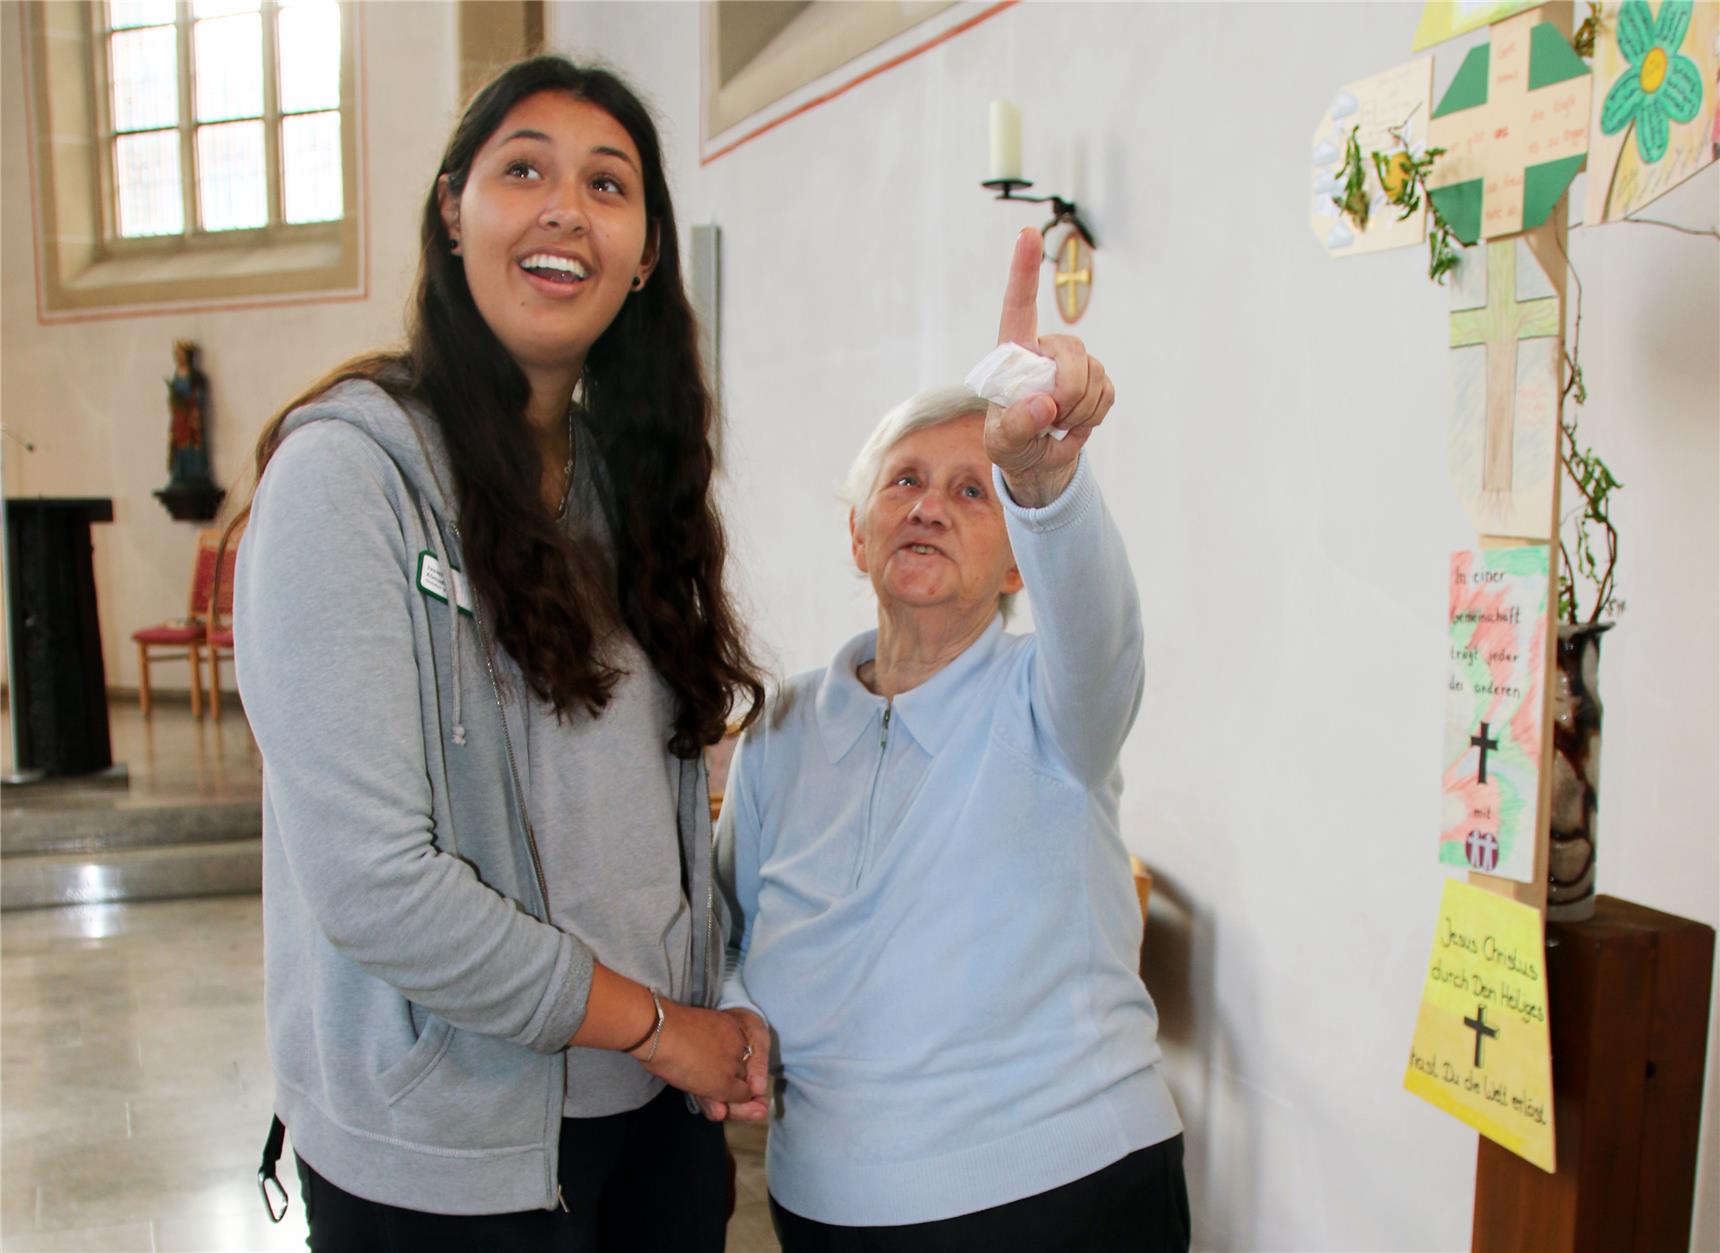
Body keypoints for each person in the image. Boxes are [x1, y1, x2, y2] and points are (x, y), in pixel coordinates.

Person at [233, 56, 770, 1250]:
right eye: (521, 169)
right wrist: (658, 1024)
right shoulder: (349, 477)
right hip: (453, 1150)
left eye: (608, 183)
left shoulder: (631, 490)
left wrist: (706, 1010)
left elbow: (658, 822)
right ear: (452, 211)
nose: (563, 208)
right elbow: (378, 884)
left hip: (653, 1118)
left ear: (643, 257)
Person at [714, 229, 1190, 1251]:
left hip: (1060, 1188)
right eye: (904, 482)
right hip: (829, 1200)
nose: (930, 504)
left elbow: (1101, 632)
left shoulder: (1054, 702)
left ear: (1019, 562)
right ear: (857, 535)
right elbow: (727, 932)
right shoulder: (784, 726)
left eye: (971, 490)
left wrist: (1043, 481)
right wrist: (733, 1009)